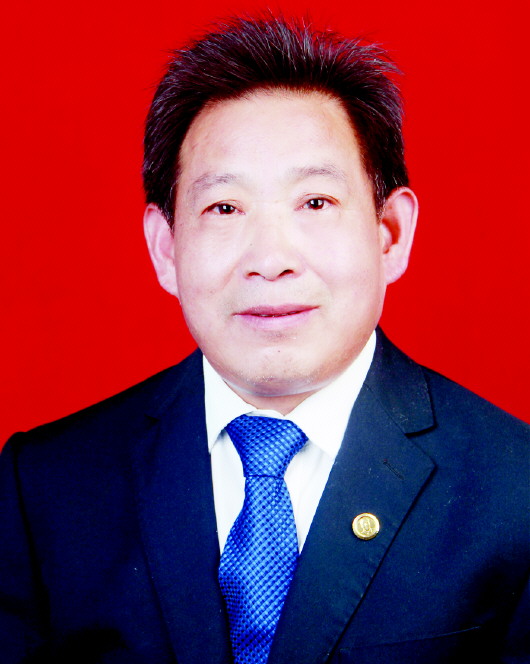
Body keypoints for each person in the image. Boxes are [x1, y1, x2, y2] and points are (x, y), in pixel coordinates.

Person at [0, 15, 528, 664]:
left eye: (315, 203)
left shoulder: (515, 490)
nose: (270, 261)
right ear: (165, 248)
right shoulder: (45, 487)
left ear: (390, 233)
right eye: (225, 208)